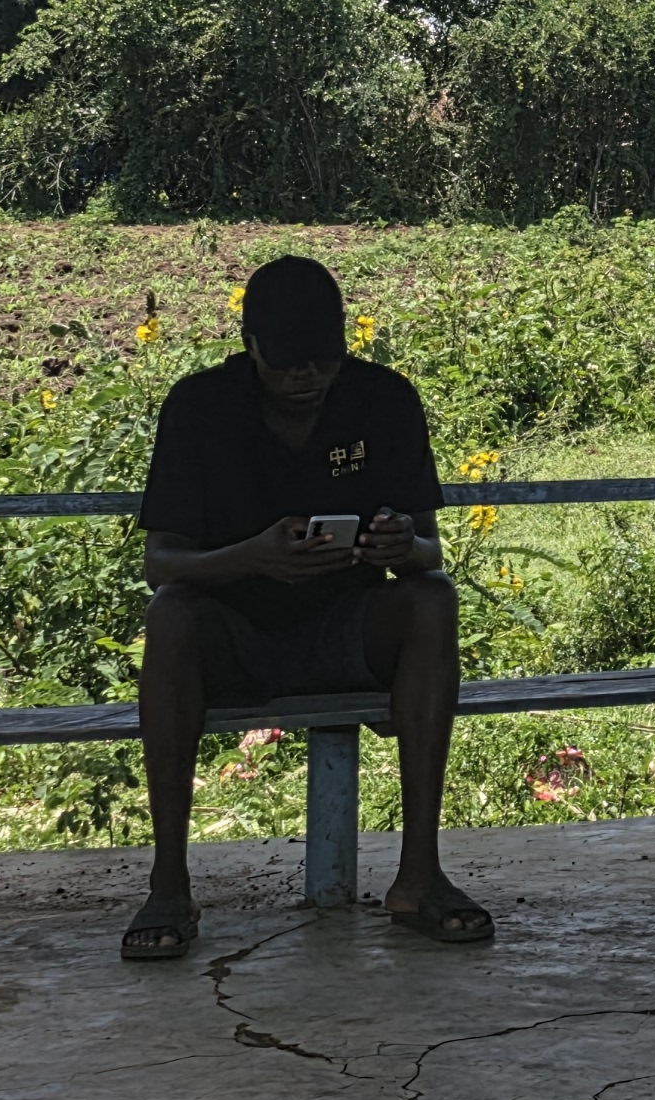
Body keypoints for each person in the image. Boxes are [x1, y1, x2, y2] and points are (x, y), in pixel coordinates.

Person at [126, 255, 490, 957]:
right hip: (232, 636)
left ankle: (420, 877)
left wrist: (399, 544)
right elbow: (161, 564)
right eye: (288, 363)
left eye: (324, 360)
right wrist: (251, 558)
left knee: (432, 600)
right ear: (250, 346)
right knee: (169, 614)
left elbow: (429, 550)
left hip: (347, 629)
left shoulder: (384, 400)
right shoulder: (199, 407)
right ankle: (168, 883)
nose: (307, 377)